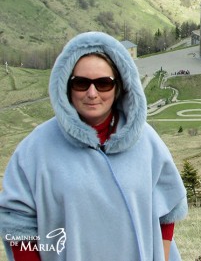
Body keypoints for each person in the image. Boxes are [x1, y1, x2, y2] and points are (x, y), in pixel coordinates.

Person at [0, 32, 187, 261]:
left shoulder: (146, 141)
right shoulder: (35, 149)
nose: (92, 93)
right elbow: (18, 226)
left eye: (103, 83)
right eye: (81, 83)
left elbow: (166, 211)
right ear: (66, 87)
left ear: (119, 87)